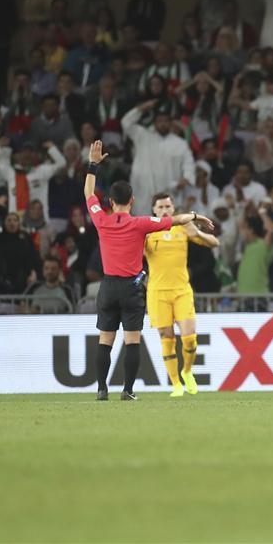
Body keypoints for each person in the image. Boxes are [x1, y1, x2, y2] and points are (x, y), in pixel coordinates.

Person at [84, 141, 213, 401]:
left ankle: (101, 390)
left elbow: (88, 194)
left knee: (104, 341)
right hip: (132, 288)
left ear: (110, 201)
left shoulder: (101, 219)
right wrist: (196, 215)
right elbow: (174, 220)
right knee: (132, 340)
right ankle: (128, 391)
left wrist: (92, 165)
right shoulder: (140, 223)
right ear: (132, 201)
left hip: (107, 287)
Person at [144, 192, 219, 398]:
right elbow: (133, 256)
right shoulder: (147, 232)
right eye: (160, 207)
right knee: (166, 338)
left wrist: (197, 233)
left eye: (168, 207)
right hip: (157, 292)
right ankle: (176, 384)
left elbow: (214, 243)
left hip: (181, 290)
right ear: (153, 210)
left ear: (174, 208)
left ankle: (187, 371)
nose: (165, 210)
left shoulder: (183, 227)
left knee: (189, 338)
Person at [121, 100, 195, 216]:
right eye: (159, 121)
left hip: (168, 191)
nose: (163, 124)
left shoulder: (180, 143)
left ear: (171, 123)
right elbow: (125, 122)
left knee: (167, 230)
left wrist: (186, 178)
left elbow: (188, 163)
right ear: (154, 123)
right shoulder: (142, 136)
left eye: (166, 121)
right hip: (143, 191)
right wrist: (143, 107)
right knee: (143, 228)